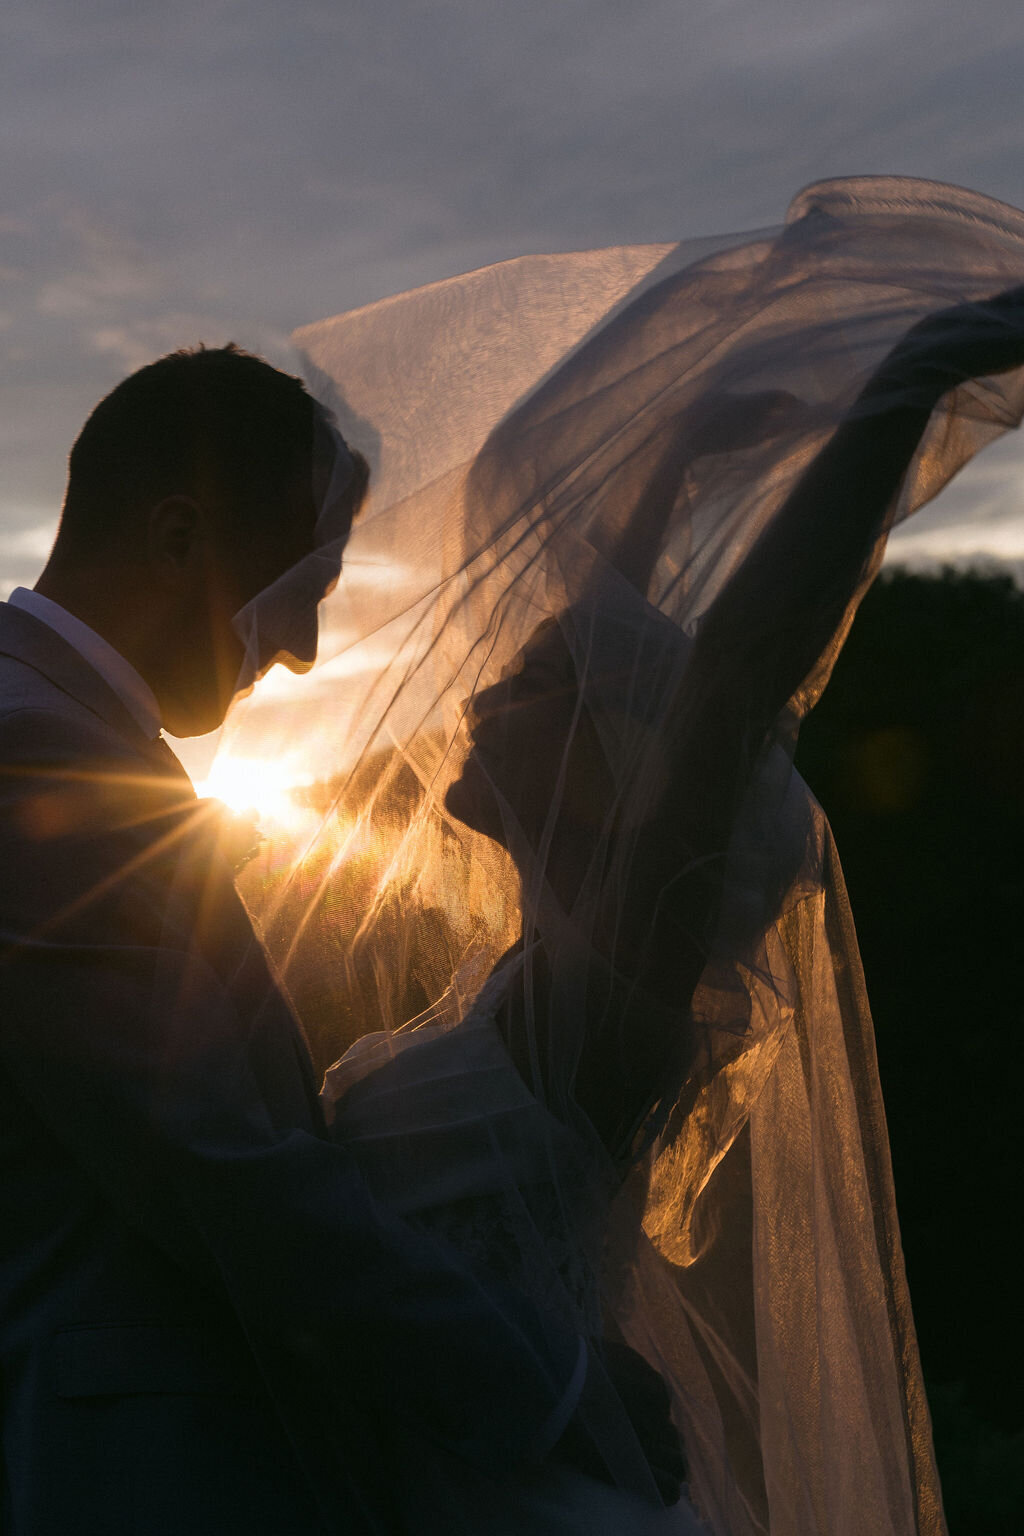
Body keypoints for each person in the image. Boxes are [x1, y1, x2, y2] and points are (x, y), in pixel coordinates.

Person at [236, 176, 1024, 1534]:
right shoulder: (521, 986)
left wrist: (910, 383)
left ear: (609, 785)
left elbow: (723, 696)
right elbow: (615, 637)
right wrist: (679, 462)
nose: (481, 699)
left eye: (533, 695)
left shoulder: (605, 1018)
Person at [0, 346, 682, 1535]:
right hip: (124, 1471)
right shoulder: (37, 754)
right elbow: (210, 1160)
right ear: (175, 539)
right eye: (306, 582)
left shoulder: (69, 739)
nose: (308, 648)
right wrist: (548, 1379)